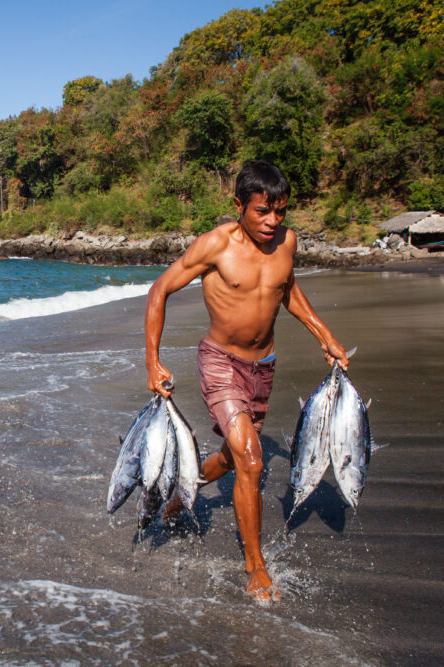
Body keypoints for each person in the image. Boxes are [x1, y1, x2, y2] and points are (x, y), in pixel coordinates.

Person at [144, 160, 348, 601]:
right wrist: (152, 361)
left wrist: (325, 335)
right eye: (262, 212)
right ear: (239, 205)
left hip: (264, 366)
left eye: (281, 212)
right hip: (220, 361)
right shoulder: (215, 245)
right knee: (253, 460)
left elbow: (286, 289)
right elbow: (159, 289)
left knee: (234, 459)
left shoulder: (286, 242)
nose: (273, 222)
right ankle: (256, 568)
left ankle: (185, 489)